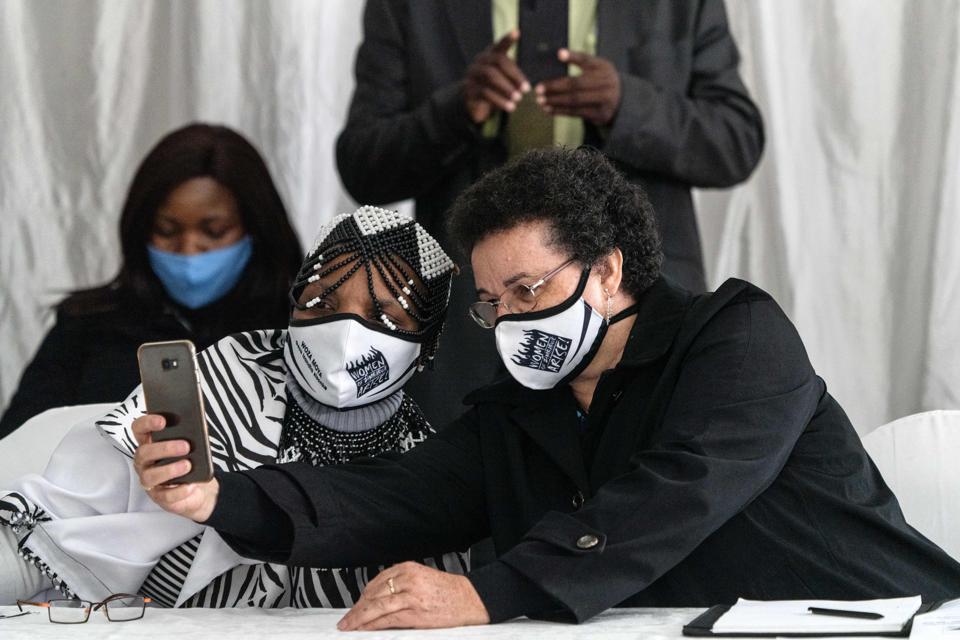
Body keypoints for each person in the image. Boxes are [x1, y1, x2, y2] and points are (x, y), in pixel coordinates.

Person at [137, 149, 960, 630]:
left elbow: (675, 493)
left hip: (890, 622)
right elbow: (398, 496)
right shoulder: (521, 406)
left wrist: (483, 593)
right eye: (490, 301)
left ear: (606, 271)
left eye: (527, 290)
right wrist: (219, 499)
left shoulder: (735, 338)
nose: (506, 319)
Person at [0, 206, 467, 607]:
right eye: (321, 303)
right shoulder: (220, 385)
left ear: (425, 346)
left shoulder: (424, 468)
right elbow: (48, 540)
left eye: (384, 316)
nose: (345, 330)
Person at [336, 0, 765, 428]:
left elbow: (736, 140)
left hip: (636, 312)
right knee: (468, 486)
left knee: (648, 476)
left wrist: (628, 105)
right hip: (474, 323)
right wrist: (456, 110)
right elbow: (363, 165)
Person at [0, 123, 303, 440]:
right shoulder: (87, 327)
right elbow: (18, 446)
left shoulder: (294, 332)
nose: (188, 250)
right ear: (139, 229)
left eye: (213, 231)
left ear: (256, 228)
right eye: (167, 230)